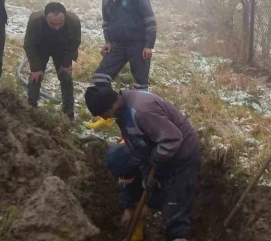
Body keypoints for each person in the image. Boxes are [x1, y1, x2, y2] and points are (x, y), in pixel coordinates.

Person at [85, 86, 199, 241]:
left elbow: (172, 139)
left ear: (112, 105)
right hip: (159, 152)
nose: (105, 119)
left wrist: (155, 160)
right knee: (151, 183)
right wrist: (145, 188)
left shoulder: (141, 110)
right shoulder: (122, 113)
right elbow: (140, 154)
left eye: (103, 114)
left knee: (175, 214)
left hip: (182, 153)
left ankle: (178, 236)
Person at [85, 0, 157, 130]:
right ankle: (108, 116)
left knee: (140, 85)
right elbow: (106, 21)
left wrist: (148, 45)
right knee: (100, 78)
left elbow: (150, 19)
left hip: (138, 43)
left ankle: (141, 123)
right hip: (117, 44)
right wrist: (108, 41)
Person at [23, 2, 81, 123]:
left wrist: (66, 64)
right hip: (41, 48)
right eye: (52, 24)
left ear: (65, 16)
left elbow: (74, 44)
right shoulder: (35, 21)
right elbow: (29, 45)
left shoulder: (73, 21)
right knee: (36, 76)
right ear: (45, 17)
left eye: (60, 23)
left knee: (66, 78)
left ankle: (69, 113)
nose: (57, 27)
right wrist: (36, 67)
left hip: (62, 49)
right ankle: (31, 107)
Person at [106, 141, 160, 241]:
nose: (123, 178)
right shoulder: (119, 157)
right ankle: (136, 234)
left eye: (125, 175)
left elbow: (161, 183)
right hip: (139, 173)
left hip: (163, 175)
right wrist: (128, 208)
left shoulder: (152, 157)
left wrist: (149, 204)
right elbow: (125, 185)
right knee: (135, 194)